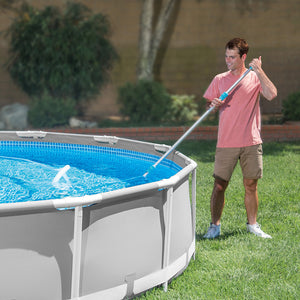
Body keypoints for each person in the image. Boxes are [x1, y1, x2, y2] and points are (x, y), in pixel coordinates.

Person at [203, 38, 277, 239]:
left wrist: (259, 70)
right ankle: (214, 226)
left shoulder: (254, 78)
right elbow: (208, 104)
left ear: (243, 57)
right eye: (226, 56)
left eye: (232, 57)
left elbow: (271, 94)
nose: (227, 60)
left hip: (251, 141)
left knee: (251, 185)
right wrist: (213, 104)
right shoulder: (220, 79)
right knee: (219, 186)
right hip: (226, 142)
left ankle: (252, 225)